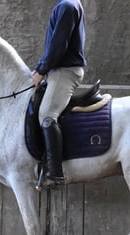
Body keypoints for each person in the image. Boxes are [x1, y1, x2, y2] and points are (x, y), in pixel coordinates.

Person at [32, 0, 86, 188]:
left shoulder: (67, 6)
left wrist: (41, 70)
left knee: (47, 115)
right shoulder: (67, 4)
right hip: (58, 70)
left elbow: (57, 46)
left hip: (65, 71)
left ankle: (55, 173)